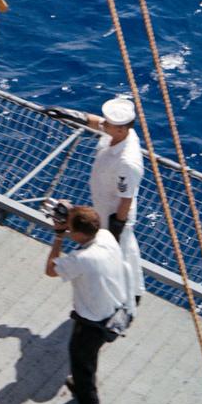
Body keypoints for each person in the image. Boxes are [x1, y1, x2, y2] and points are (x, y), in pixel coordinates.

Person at [43, 96, 146, 302]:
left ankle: (127, 296)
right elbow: (96, 122)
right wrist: (71, 114)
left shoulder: (127, 162)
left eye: (109, 123)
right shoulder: (120, 133)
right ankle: (126, 289)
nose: (103, 124)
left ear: (121, 129)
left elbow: (125, 199)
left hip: (113, 214)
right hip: (102, 206)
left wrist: (115, 230)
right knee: (118, 253)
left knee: (120, 255)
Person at [45, 204, 132, 404]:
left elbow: (51, 270)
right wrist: (72, 214)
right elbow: (84, 225)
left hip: (92, 324)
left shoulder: (81, 259)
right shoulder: (105, 236)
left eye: (70, 228)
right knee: (88, 358)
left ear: (76, 233)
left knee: (83, 368)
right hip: (114, 311)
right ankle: (81, 381)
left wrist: (58, 235)